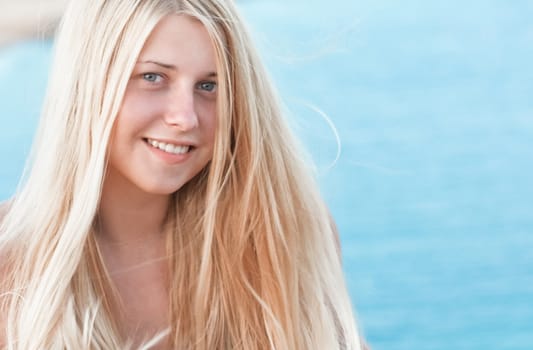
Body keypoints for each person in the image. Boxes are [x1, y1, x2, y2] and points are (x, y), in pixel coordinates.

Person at [0, 0, 367, 348]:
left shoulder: (283, 234)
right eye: (153, 77)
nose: (185, 117)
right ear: (88, 85)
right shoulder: (10, 256)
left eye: (209, 86)